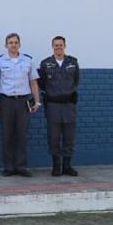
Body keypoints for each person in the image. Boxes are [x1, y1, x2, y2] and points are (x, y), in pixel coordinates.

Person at [0, 33, 40, 177]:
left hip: (23, 101)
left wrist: (37, 101)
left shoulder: (28, 60)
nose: (13, 44)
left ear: (20, 44)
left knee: (22, 134)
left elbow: (33, 82)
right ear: (6, 45)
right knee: (7, 135)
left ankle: (21, 166)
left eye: (15, 42)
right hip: (6, 101)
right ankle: (9, 166)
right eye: (10, 42)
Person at [38, 36, 81, 177]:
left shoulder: (73, 63)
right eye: (56, 45)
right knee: (54, 137)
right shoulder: (45, 64)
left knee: (69, 137)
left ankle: (67, 166)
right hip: (53, 106)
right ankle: (56, 166)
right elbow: (42, 83)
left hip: (69, 106)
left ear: (65, 46)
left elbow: (76, 81)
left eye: (60, 45)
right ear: (52, 47)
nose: (58, 47)